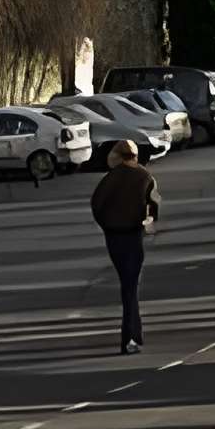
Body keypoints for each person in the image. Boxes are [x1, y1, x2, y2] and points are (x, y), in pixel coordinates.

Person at [90, 137, 160, 353]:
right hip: (134, 234)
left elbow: (97, 205)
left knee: (127, 285)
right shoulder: (145, 176)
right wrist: (146, 223)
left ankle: (132, 336)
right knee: (131, 285)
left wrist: (107, 225)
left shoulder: (110, 178)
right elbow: (153, 206)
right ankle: (131, 337)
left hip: (114, 236)